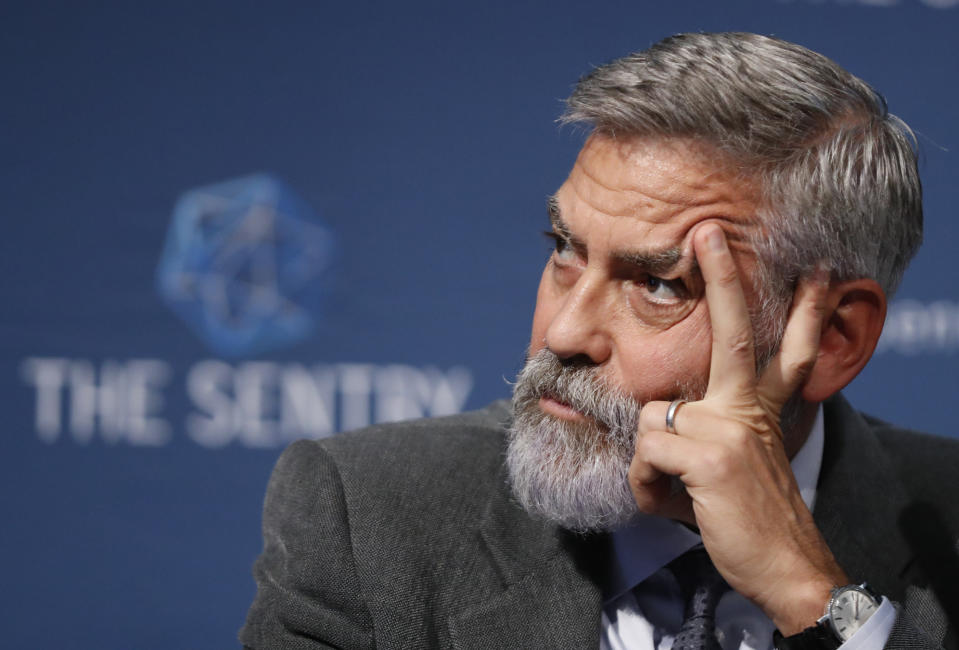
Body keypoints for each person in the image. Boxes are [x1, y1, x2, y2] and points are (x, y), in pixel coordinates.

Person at [240, 32, 959, 649]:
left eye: (659, 285)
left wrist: (810, 595)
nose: (563, 332)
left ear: (834, 337)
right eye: (564, 248)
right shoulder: (370, 516)